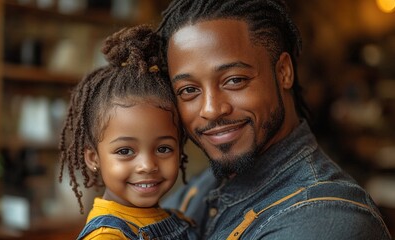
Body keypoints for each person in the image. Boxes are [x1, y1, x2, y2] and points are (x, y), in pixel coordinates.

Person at [157, 0, 392, 239]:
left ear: (283, 72)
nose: (211, 110)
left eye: (234, 80)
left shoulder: (324, 219)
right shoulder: (207, 184)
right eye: (188, 90)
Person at [58, 24, 197, 239]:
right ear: (93, 157)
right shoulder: (107, 236)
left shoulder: (173, 218)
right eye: (125, 151)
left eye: (163, 148)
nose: (147, 165)